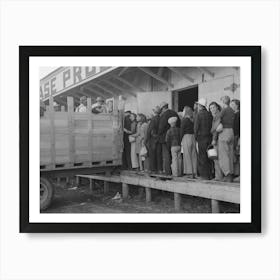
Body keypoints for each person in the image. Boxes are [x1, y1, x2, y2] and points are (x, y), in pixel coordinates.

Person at [158, 102, 181, 175]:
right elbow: (179, 123)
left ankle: (168, 172)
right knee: (178, 157)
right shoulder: (174, 113)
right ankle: (179, 172)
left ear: (163, 108)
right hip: (176, 138)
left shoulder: (164, 115)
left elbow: (161, 128)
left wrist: (158, 133)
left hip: (166, 138)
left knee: (166, 155)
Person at [194, 98, 213, 180]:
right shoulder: (209, 114)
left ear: (200, 106)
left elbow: (196, 127)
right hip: (209, 137)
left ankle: (204, 176)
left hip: (201, 138)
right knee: (209, 156)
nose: (197, 106)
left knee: (202, 156)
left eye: (198, 105)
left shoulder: (199, 114)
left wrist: (195, 137)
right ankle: (210, 175)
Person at [218, 96, 235, 182]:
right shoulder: (232, 110)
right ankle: (231, 174)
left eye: (221, 101)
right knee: (230, 154)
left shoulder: (224, 110)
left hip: (224, 131)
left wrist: (214, 129)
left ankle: (227, 174)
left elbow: (218, 119)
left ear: (224, 102)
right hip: (231, 131)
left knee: (224, 154)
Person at [180, 106, 197, 178]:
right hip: (193, 137)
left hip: (186, 137)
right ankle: (194, 172)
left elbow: (182, 131)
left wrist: (180, 139)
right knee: (193, 155)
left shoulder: (184, 120)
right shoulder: (193, 120)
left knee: (187, 155)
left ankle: (189, 173)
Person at [209, 101, 223, 181]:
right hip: (217, 138)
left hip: (217, 139)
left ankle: (219, 177)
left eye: (213, 107)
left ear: (217, 107)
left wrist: (214, 139)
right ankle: (219, 176)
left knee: (216, 158)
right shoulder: (215, 116)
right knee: (216, 158)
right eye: (210, 108)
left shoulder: (217, 116)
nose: (212, 109)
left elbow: (216, 130)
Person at [145, 106, 161, 173]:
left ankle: (153, 169)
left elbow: (149, 130)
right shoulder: (161, 118)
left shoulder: (153, 119)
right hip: (159, 138)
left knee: (152, 154)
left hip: (152, 139)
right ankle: (159, 169)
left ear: (154, 111)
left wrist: (146, 139)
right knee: (158, 154)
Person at [230, 99, 240, 178]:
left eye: (232, 104)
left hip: (237, 136)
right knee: (234, 155)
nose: (231, 106)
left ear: (237, 105)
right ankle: (236, 173)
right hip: (233, 136)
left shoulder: (239, 114)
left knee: (238, 155)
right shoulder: (233, 114)